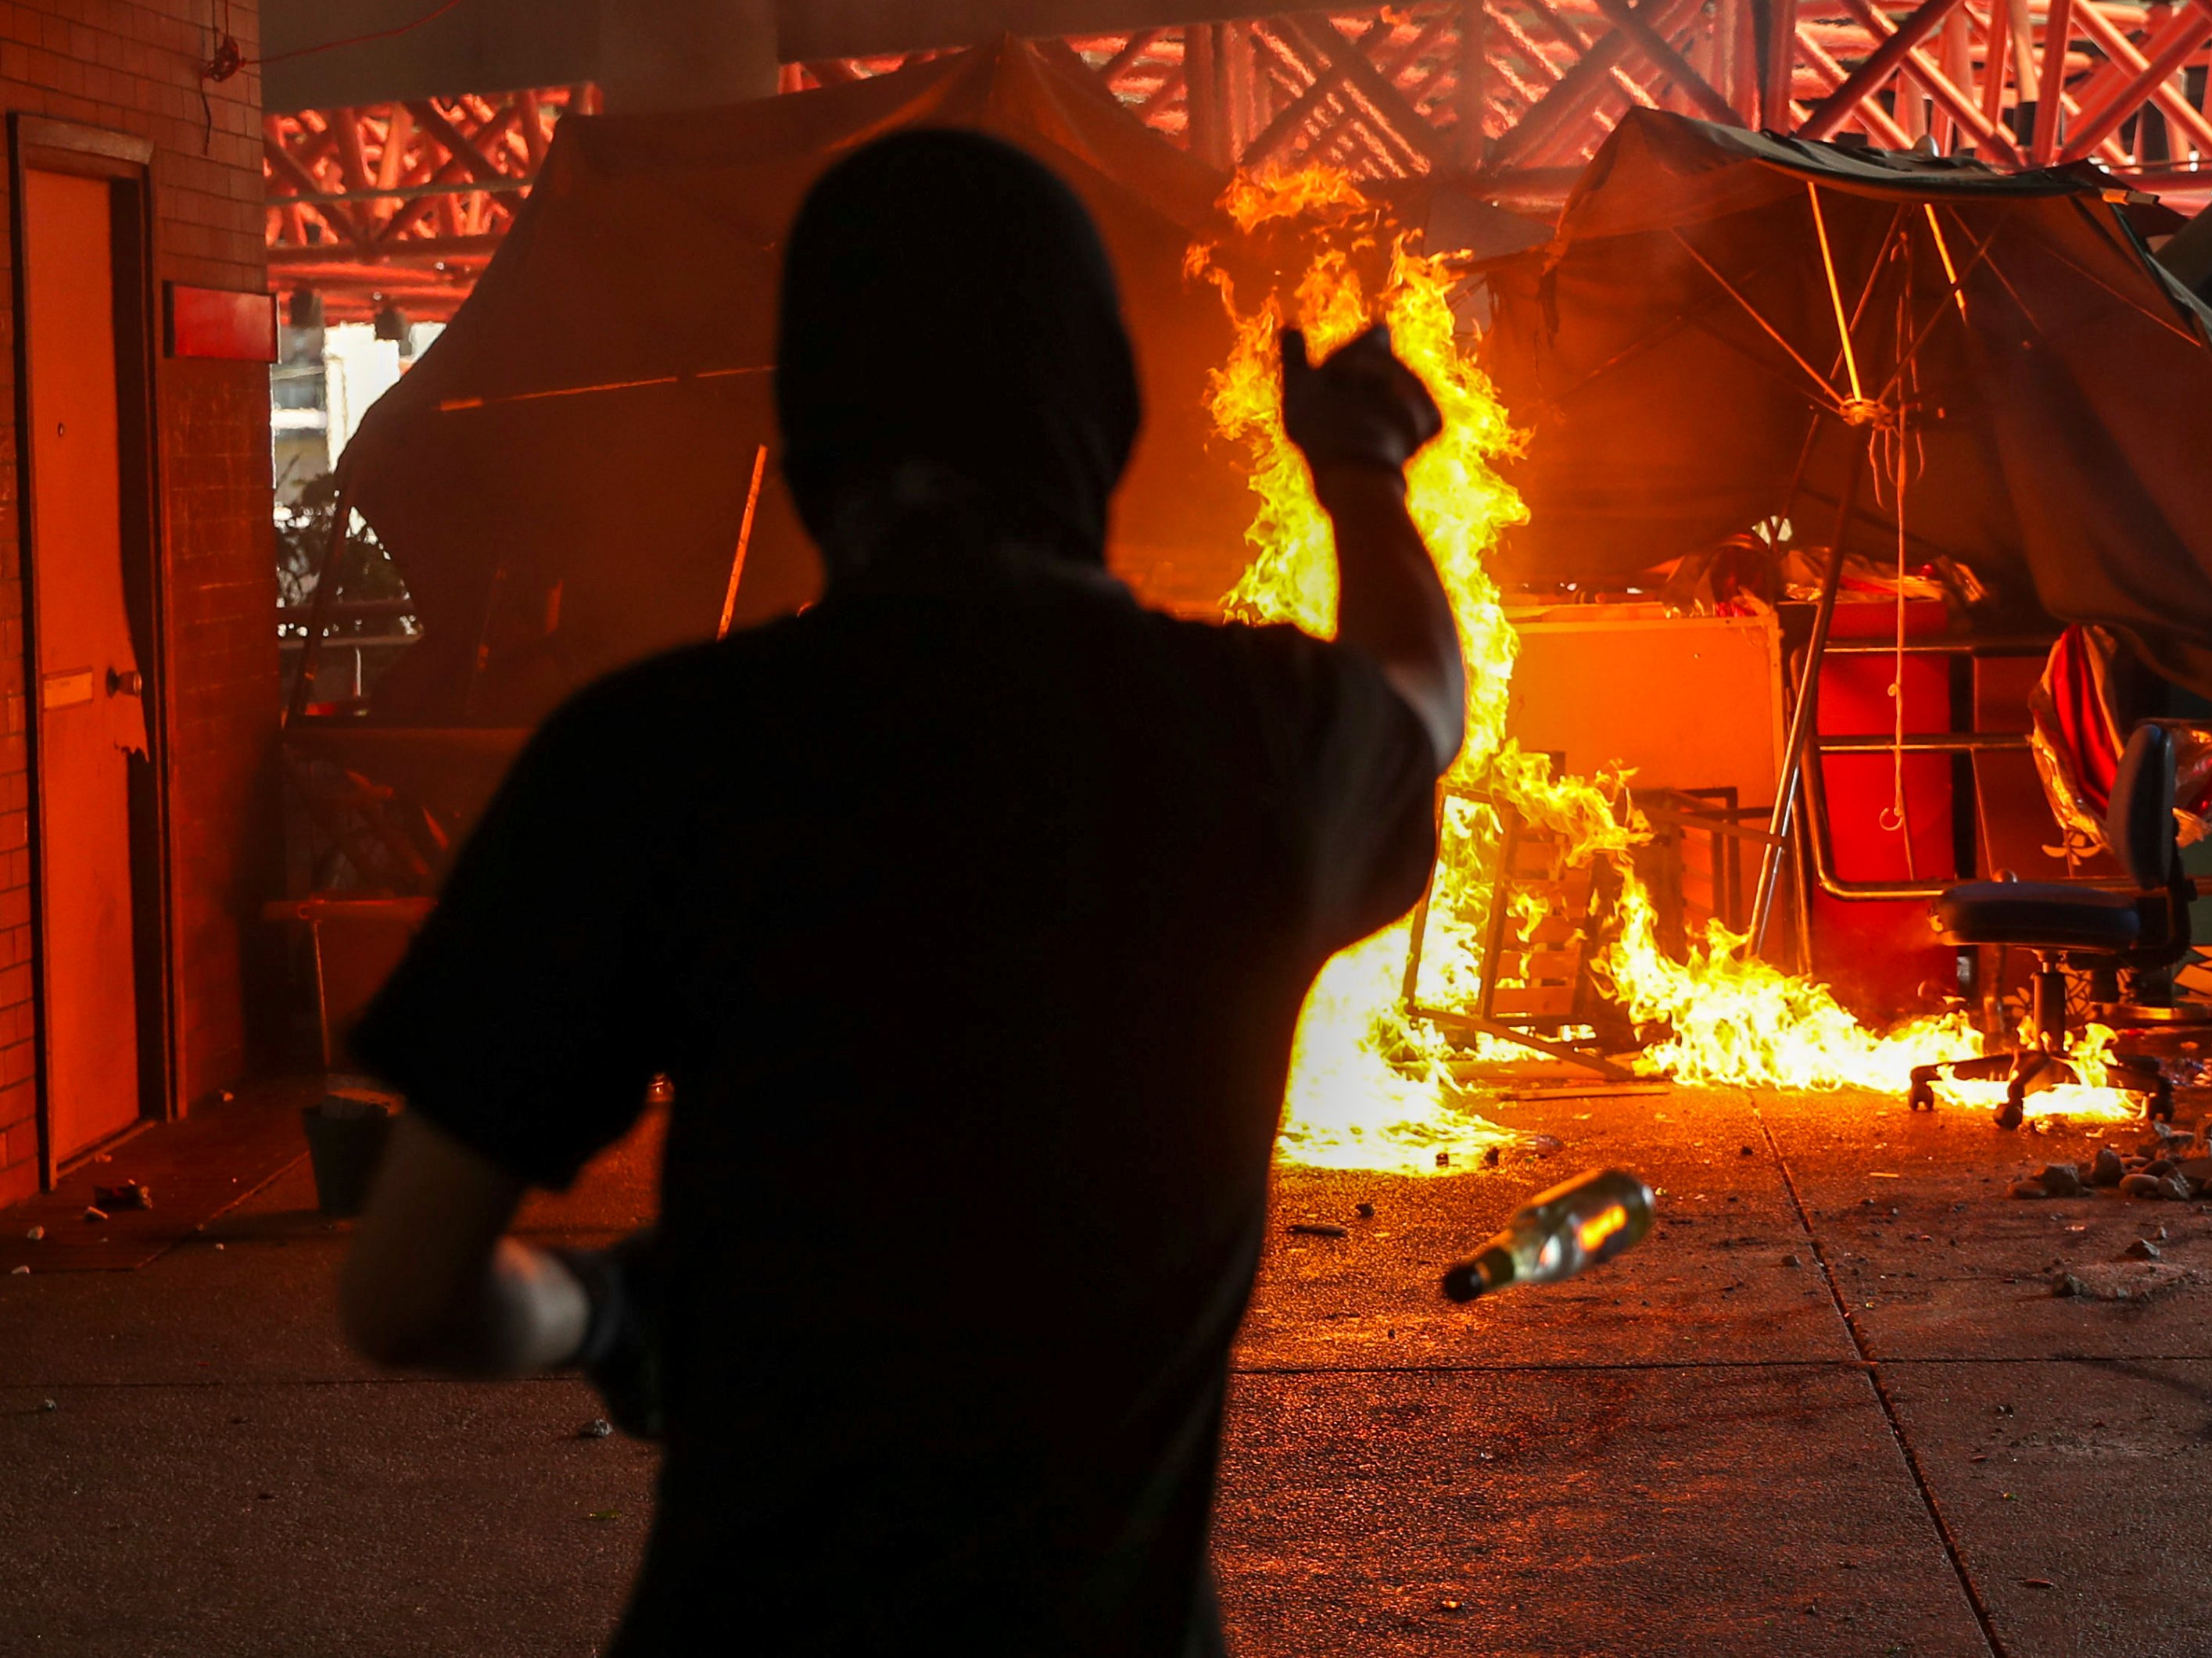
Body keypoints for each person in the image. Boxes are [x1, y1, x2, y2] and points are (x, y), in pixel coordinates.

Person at [336, 128, 1463, 1656]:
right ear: (1101, 422)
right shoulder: (1259, 738)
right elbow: (1420, 693)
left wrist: (607, 1311)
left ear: (809, 432)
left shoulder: (649, 754)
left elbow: (406, 1291)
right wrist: (1357, 470)